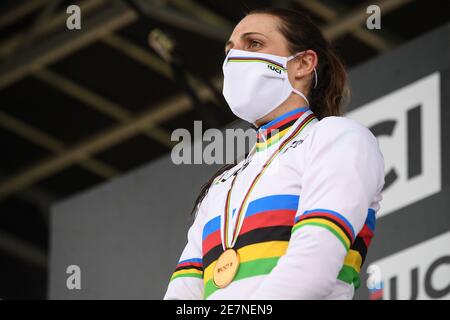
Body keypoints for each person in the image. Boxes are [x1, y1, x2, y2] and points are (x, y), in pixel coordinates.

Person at [164, 7, 385, 300]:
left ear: (303, 64)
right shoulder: (222, 185)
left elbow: (312, 268)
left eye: (253, 43)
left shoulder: (337, 137)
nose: (234, 58)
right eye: (229, 50)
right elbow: (182, 295)